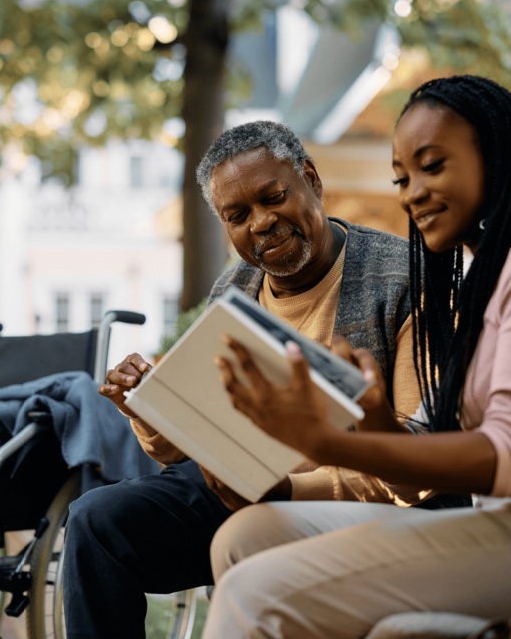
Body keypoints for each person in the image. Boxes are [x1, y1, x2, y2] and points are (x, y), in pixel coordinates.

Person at [203, 76, 511, 638]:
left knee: (257, 593)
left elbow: (509, 459)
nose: (412, 192)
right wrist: (371, 421)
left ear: (491, 155)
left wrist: (326, 442)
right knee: (244, 536)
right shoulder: (489, 277)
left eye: (433, 165)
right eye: (402, 177)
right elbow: (413, 464)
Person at [62, 121, 465, 639]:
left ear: (311, 181)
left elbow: (421, 457)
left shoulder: (409, 277)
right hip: (250, 484)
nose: (261, 223)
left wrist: (287, 490)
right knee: (97, 522)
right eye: (237, 215)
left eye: (273, 197)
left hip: (378, 500)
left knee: (258, 532)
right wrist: (145, 407)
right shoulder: (236, 286)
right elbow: (185, 446)